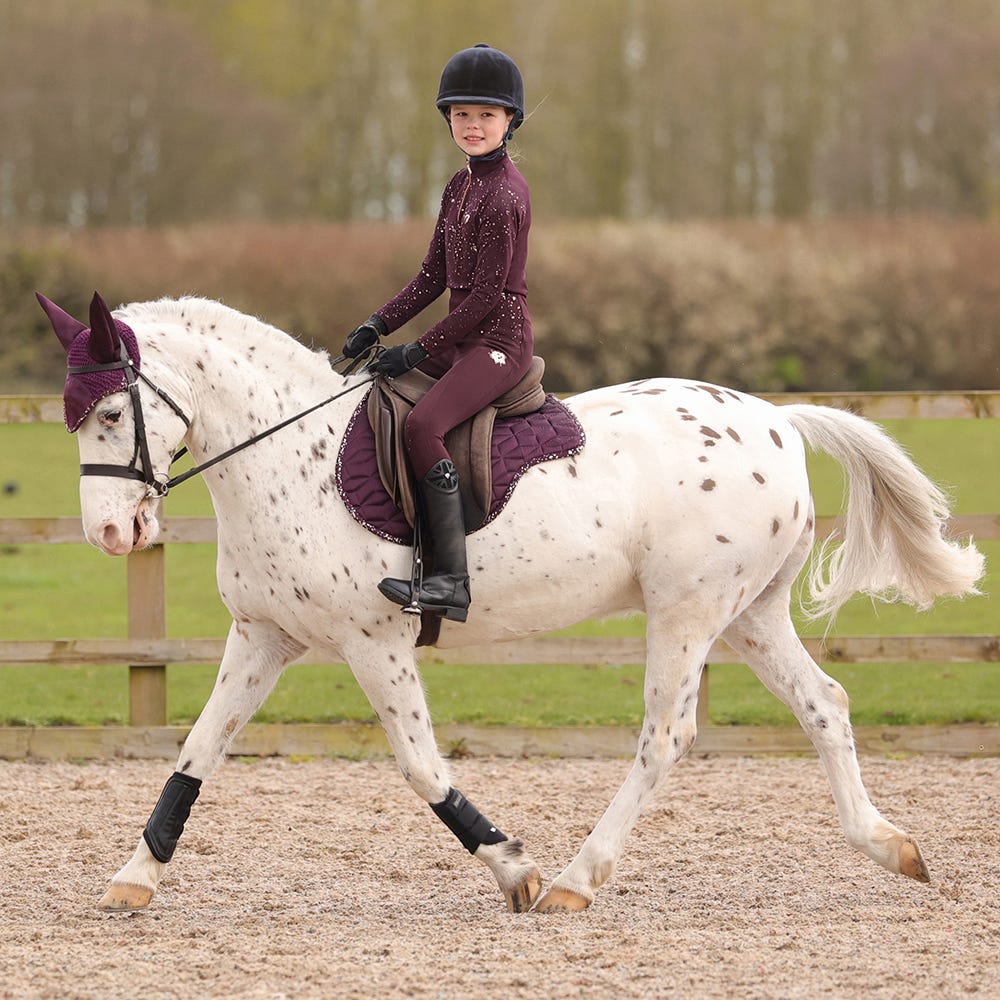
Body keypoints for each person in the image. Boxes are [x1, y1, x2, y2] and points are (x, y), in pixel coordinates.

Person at [342, 43, 534, 623]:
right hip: (461, 338)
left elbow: (481, 299)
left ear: (509, 122)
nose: (472, 126)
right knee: (377, 394)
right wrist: (377, 323)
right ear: (448, 119)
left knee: (424, 424)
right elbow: (433, 276)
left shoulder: (504, 195)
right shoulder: (459, 186)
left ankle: (451, 579)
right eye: (461, 116)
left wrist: (415, 350)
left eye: (486, 116)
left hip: (498, 343)